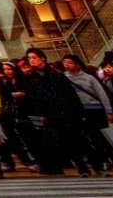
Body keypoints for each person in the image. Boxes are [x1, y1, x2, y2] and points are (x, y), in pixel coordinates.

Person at [17, 46, 87, 175]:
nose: (31, 61)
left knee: (74, 139)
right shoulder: (30, 78)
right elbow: (33, 97)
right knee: (58, 141)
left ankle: (85, 167)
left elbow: (70, 94)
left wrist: (77, 111)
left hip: (65, 111)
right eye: (29, 58)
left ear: (42, 58)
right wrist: (41, 114)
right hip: (49, 114)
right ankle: (67, 167)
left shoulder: (56, 74)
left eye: (33, 58)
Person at [62, 53, 113, 176]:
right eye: (64, 62)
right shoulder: (63, 78)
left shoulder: (89, 78)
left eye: (69, 62)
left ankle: (105, 161)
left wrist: (108, 111)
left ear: (77, 64)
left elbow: (102, 94)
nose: (66, 65)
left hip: (95, 111)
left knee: (99, 138)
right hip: (78, 113)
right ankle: (95, 164)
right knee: (86, 139)